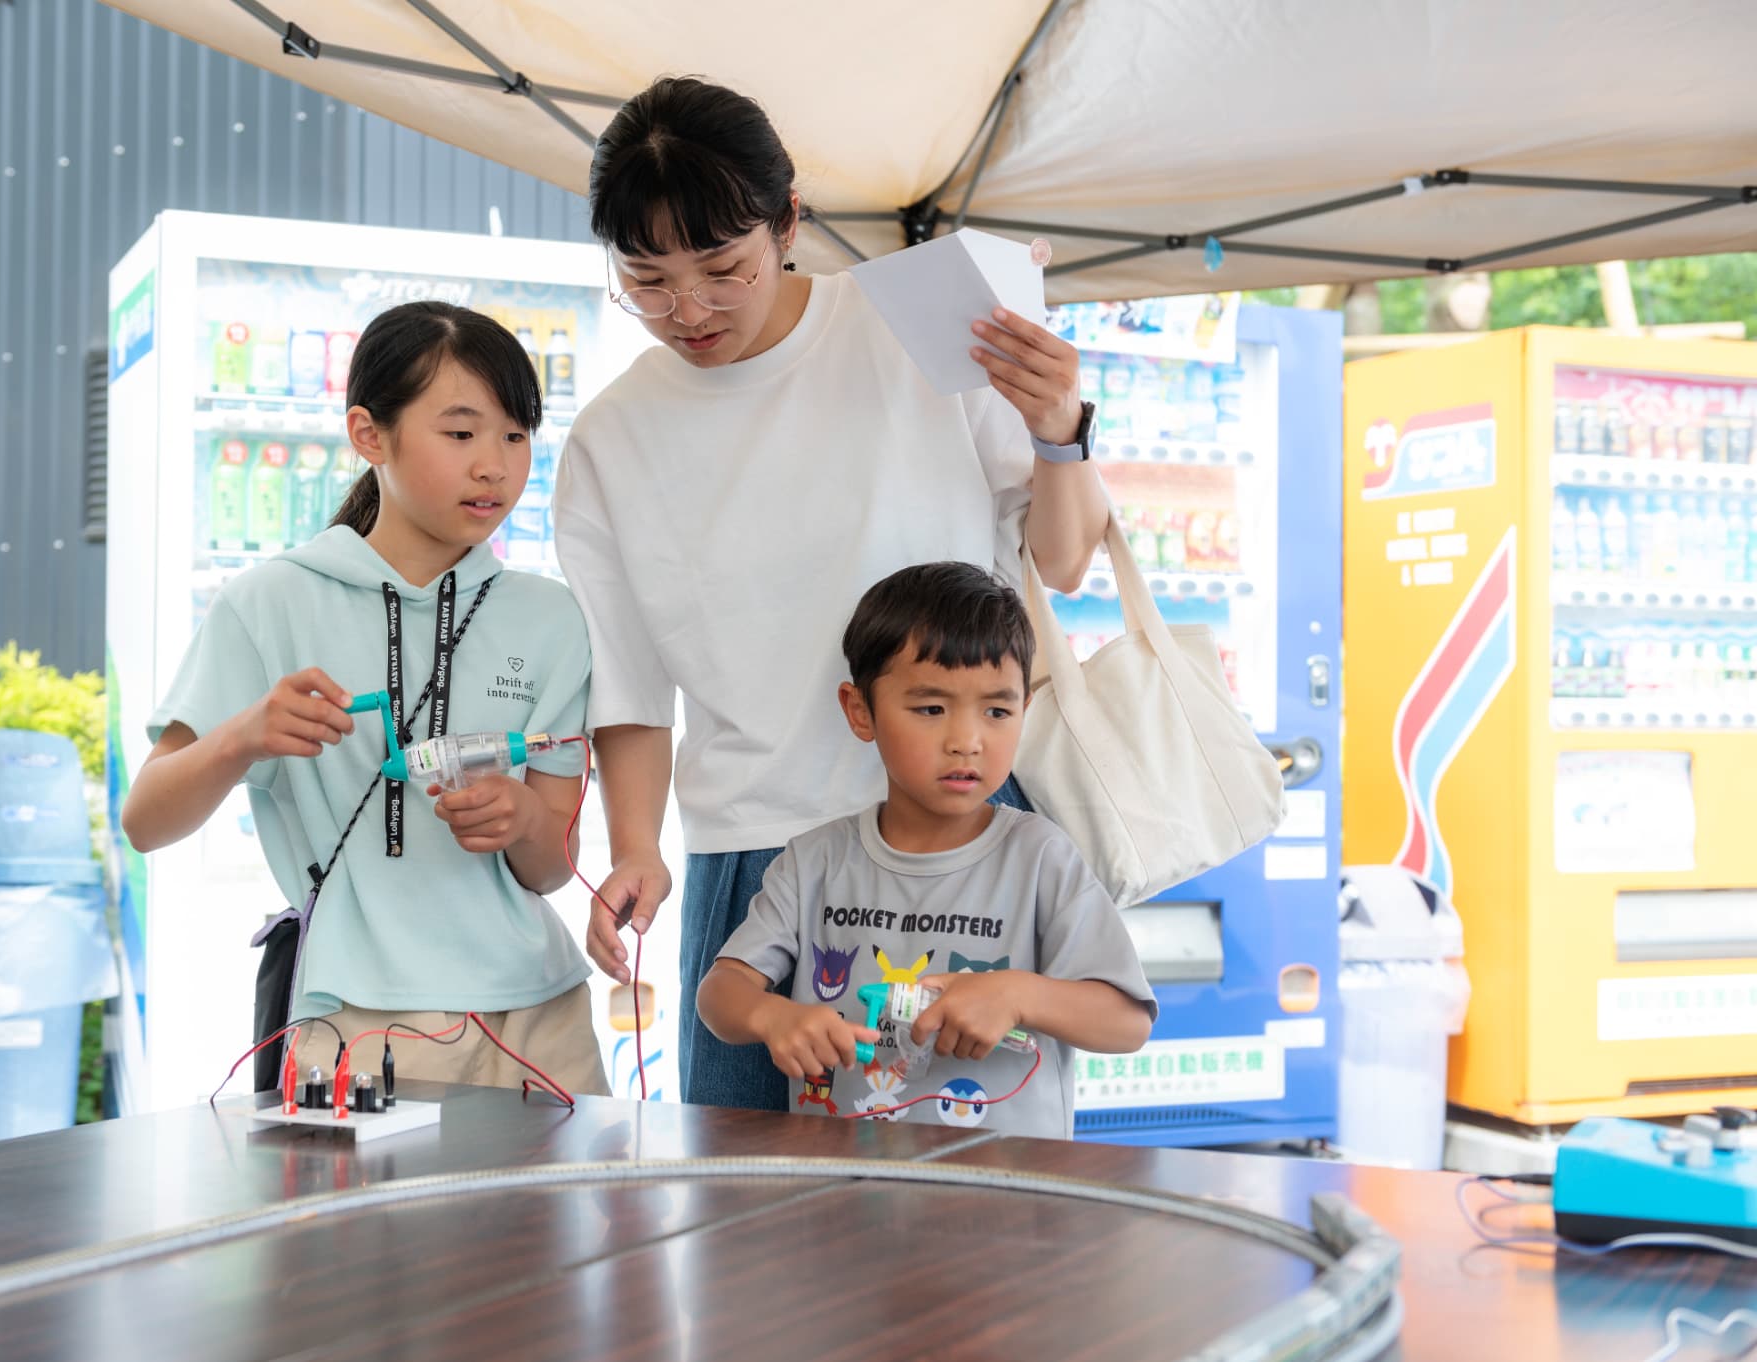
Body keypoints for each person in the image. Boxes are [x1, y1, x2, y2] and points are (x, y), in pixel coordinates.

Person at [552, 76, 1114, 1111]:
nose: (688, 311)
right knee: (741, 1184)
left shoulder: (920, 328)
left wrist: (1058, 430)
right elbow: (627, 681)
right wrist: (635, 849)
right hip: (754, 850)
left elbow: (1065, 562)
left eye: (723, 269)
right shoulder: (610, 437)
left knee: (969, 1163)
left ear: (788, 223)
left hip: (957, 828)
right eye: (646, 281)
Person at [121, 301, 606, 1096]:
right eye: (462, 434)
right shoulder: (269, 604)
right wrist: (243, 736)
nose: (495, 466)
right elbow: (146, 821)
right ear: (369, 434)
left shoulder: (551, 618)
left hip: (542, 1014)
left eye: (516, 436)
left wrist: (524, 819)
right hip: (357, 1016)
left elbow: (552, 870)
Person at [697, 564, 1154, 1136]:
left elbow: (1127, 1023)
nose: (967, 741)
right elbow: (720, 993)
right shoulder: (813, 862)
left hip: (1004, 1183)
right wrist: (770, 1015)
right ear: (860, 711)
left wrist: (1018, 995)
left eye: (997, 711)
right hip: (840, 1173)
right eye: (931, 709)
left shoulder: (1041, 857)